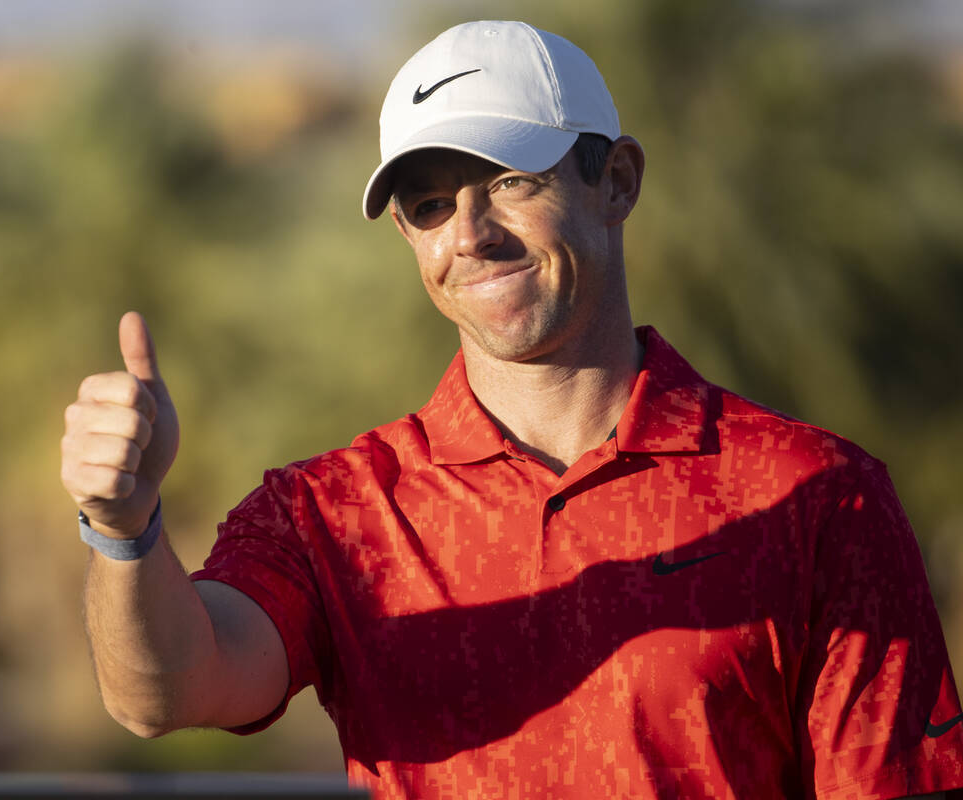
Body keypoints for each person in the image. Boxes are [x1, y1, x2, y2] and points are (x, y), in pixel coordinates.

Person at [59, 20, 963, 800]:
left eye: (508, 180)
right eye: (428, 204)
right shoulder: (333, 514)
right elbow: (167, 692)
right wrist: (124, 531)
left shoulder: (818, 494)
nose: (468, 234)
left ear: (617, 180)